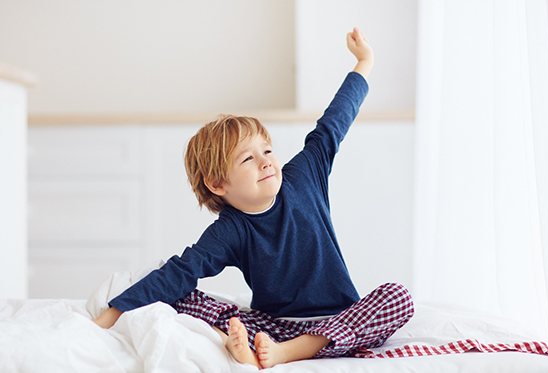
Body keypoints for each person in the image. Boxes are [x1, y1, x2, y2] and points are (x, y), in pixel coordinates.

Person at [94, 27, 414, 369]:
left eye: (267, 150)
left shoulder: (305, 174)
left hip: (338, 318)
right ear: (218, 184)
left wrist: (364, 62)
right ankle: (247, 345)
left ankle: (288, 353)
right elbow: (183, 271)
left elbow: (334, 122)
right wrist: (111, 313)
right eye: (248, 159)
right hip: (272, 327)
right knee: (177, 291)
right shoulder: (229, 230)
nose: (266, 161)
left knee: (398, 298)